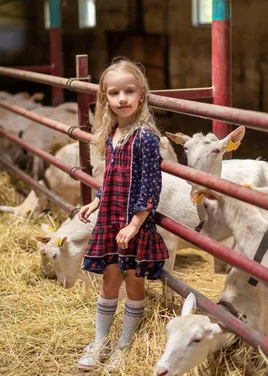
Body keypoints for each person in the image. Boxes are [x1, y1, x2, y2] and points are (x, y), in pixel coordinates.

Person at [77, 57, 168, 371]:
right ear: (105, 98)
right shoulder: (112, 133)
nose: (122, 99)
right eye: (114, 93)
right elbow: (114, 175)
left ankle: (123, 346)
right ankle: (100, 341)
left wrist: (135, 224)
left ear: (141, 95)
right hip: (111, 219)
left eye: (129, 91)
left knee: (134, 284)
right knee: (109, 282)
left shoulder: (144, 138)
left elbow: (149, 185)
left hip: (133, 225)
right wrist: (97, 200)